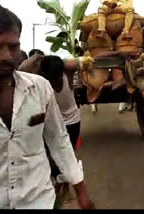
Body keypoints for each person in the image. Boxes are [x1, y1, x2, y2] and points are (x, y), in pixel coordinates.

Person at [0, 3, 95, 209]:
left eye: (13, 46)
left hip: (41, 202)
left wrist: (81, 192)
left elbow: (59, 140)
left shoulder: (39, 88)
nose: (6, 56)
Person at [40, 55, 83, 207]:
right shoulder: (42, 83)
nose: (56, 80)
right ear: (45, 76)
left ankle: (66, 188)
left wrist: (62, 63)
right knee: (51, 158)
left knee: (67, 155)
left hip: (72, 123)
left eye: (58, 75)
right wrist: (40, 57)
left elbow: (78, 62)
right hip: (53, 124)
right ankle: (60, 183)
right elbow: (24, 68)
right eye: (52, 77)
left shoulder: (68, 76)